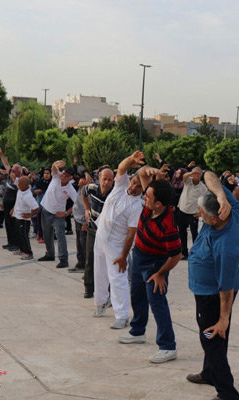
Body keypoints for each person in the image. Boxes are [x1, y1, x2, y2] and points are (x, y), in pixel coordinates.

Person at [186, 171, 239, 400]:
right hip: (207, 290)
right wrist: (221, 195)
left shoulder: (227, 245)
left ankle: (227, 392)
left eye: (202, 213)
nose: (199, 214)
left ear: (214, 219)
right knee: (216, 338)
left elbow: (226, 289)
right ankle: (209, 372)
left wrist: (223, 319)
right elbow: (208, 174)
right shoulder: (228, 207)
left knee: (211, 338)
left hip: (213, 294)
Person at [119, 155, 182, 364]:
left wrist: (160, 272)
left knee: (157, 302)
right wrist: (149, 169)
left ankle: (167, 346)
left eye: (148, 198)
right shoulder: (151, 202)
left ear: (159, 204)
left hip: (155, 262)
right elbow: (142, 172)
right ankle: (137, 331)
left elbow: (176, 255)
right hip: (139, 255)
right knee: (136, 293)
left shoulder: (168, 225)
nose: (144, 198)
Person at [92, 153, 143, 329]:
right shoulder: (120, 187)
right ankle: (101, 303)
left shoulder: (137, 206)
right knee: (99, 272)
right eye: (133, 182)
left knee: (118, 278)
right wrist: (131, 159)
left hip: (116, 245)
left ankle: (122, 315)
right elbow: (121, 168)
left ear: (143, 190)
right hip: (100, 237)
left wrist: (123, 255)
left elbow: (131, 233)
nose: (134, 187)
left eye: (139, 186)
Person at [79, 168, 114, 297]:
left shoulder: (114, 193)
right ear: (99, 179)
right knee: (90, 259)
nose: (106, 182)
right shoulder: (92, 187)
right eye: (104, 178)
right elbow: (83, 192)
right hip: (93, 229)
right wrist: (87, 208)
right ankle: (88, 288)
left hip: (109, 233)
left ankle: (109, 292)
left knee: (108, 262)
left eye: (110, 179)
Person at [38, 160, 78, 268]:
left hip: (58, 216)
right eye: (63, 173)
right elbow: (54, 169)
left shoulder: (70, 189)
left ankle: (64, 260)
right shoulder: (56, 176)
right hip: (46, 211)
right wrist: (55, 165)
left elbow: (78, 204)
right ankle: (50, 254)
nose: (63, 176)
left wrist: (66, 213)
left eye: (66, 175)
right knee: (47, 235)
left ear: (70, 178)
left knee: (61, 237)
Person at [177, 166, 208, 260]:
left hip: (193, 213)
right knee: (182, 233)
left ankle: (196, 252)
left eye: (199, 174)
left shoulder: (203, 187)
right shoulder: (188, 181)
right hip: (182, 209)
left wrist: (201, 213)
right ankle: (184, 252)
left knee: (195, 233)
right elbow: (183, 177)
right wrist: (191, 173)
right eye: (195, 173)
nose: (197, 175)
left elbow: (204, 201)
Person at [11, 176, 40, 260]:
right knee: (18, 234)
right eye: (18, 183)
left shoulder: (28, 196)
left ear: (26, 185)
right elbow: (17, 201)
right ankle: (21, 249)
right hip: (17, 216)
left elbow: (36, 208)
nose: (18, 185)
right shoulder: (20, 189)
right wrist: (13, 209)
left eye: (20, 183)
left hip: (24, 220)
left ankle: (28, 252)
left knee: (24, 236)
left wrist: (29, 215)